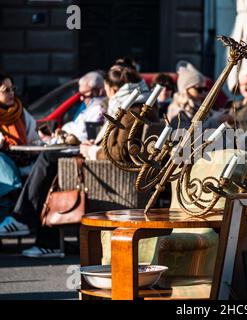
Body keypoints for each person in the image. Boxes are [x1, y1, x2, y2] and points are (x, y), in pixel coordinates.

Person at [0, 61, 153, 258]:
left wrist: (92, 150)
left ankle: (36, 230)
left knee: (50, 163)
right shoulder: (131, 108)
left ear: (114, 89)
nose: (107, 95)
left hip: (107, 170)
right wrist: (93, 145)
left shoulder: (130, 111)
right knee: (51, 167)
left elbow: (119, 152)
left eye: (107, 90)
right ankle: (43, 237)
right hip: (106, 168)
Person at [0, 73, 40, 218]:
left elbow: (34, 137)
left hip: (24, 159)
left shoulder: (20, 111)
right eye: (6, 90)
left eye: (13, 89)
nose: (12, 93)